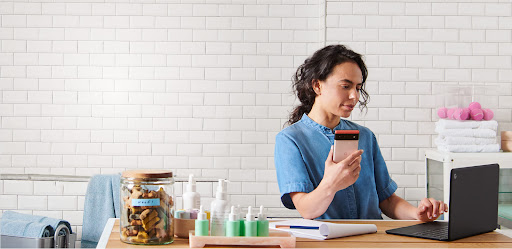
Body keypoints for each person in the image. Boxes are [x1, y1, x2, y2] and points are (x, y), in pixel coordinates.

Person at [274, 44, 447, 221]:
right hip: (327, 241)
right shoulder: (290, 140)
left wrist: (417, 214)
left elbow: (386, 199)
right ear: (317, 86)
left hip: (372, 239)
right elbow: (307, 210)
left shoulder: (365, 136)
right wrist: (331, 183)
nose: (355, 96)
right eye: (345, 86)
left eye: (357, 87)